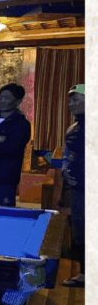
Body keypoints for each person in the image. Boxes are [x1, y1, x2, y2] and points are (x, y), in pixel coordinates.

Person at [61, 84, 85, 287]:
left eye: (76, 99)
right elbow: (67, 155)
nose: (71, 104)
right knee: (80, 232)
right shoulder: (72, 129)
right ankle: (85, 274)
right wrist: (65, 171)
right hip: (78, 190)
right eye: (69, 100)